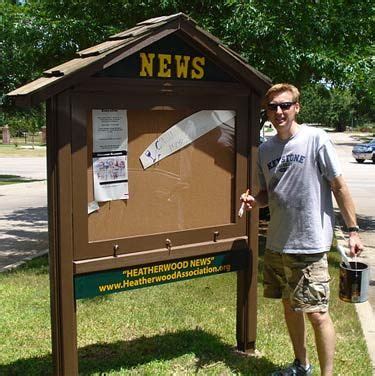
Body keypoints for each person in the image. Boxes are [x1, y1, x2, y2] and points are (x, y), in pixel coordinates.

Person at [241, 83, 364, 376]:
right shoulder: (266, 149)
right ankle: (301, 365)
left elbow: (339, 185)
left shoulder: (315, 140)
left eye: (285, 105)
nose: (279, 112)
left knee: (318, 313)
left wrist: (353, 230)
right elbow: (266, 194)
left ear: (297, 107)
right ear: (267, 112)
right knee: (290, 306)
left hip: (309, 245)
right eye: (273, 107)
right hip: (277, 244)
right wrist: (252, 200)